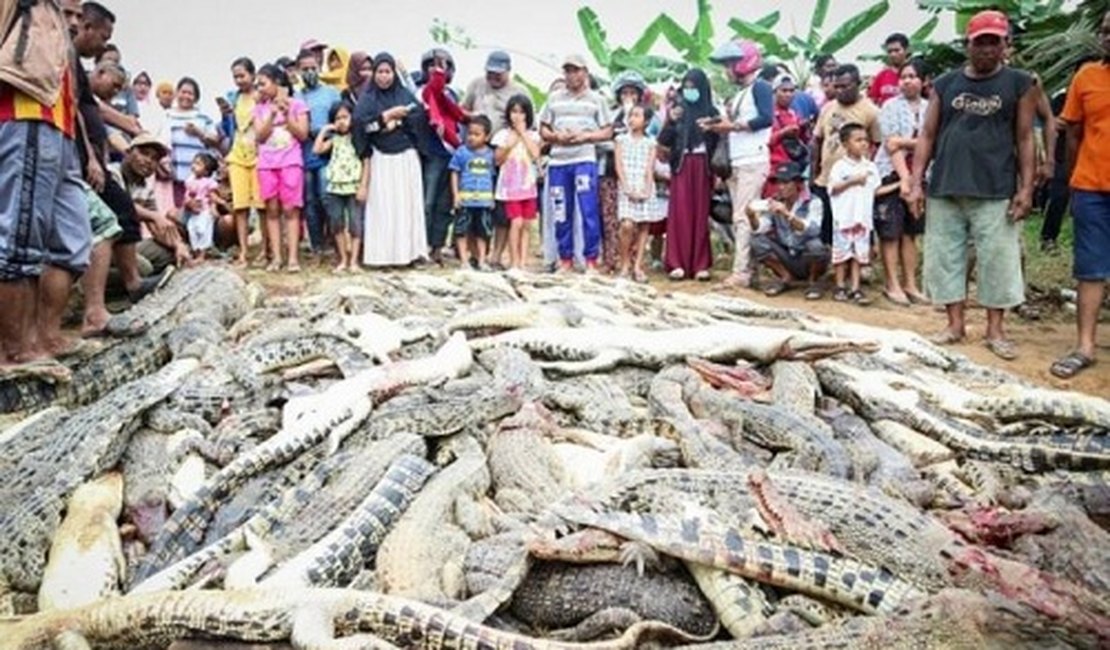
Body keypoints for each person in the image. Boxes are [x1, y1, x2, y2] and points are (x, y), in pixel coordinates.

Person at [905, 10, 1037, 360]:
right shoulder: (946, 84)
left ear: (1006, 44)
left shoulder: (1019, 83)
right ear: (969, 44)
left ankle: (995, 330)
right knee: (945, 257)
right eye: (981, 43)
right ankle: (954, 325)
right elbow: (928, 135)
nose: (988, 50)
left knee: (998, 259)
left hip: (995, 186)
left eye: (995, 42)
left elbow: (1025, 138)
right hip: (946, 185)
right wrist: (916, 183)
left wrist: (1026, 189)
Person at [0, 0, 91, 365]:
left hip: (61, 126)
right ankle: (13, 351)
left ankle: (44, 336)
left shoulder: (53, 13)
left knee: (72, 239)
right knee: (20, 238)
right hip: (26, 111)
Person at [1051, 11, 1110, 379]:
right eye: (1105, 31)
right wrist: (1074, 179)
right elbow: (1073, 133)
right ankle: (1085, 347)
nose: (1108, 38)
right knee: (1090, 269)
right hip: (1091, 188)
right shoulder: (1086, 76)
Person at [705, 39, 773, 287]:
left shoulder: (761, 87)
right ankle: (749, 270)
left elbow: (767, 118)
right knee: (743, 215)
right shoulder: (741, 94)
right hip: (739, 160)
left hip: (753, 159)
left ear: (743, 63)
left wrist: (732, 126)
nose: (727, 70)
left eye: (730, 64)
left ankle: (741, 272)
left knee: (743, 216)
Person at [353, 52, 428, 267]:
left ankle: (409, 254)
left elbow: (418, 117)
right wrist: (386, 118)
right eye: (380, 72)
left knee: (406, 206)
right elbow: (361, 126)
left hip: (405, 157)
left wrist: (400, 121)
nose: (384, 77)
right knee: (383, 207)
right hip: (381, 159)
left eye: (388, 72)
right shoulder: (368, 100)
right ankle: (382, 256)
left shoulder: (404, 95)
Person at [539, 55, 613, 273]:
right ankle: (565, 259)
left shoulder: (596, 99)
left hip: (584, 159)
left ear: (585, 73)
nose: (572, 75)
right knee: (561, 211)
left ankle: (590, 259)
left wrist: (586, 137)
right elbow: (543, 128)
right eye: (568, 71)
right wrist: (556, 137)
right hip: (559, 161)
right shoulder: (554, 98)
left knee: (588, 209)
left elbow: (608, 130)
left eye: (576, 70)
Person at [462, 50, 527, 268]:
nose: (493, 77)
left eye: (498, 74)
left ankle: (496, 255)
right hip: (476, 153)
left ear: (508, 71)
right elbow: (462, 110)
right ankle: (474, 254)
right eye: (490, 72)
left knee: (501, 209)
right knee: (475, 204)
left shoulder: (519, 91)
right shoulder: (476, 85)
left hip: (505, 153)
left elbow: (527, 123)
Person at [874, 59, 930, 307]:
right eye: (903, 76)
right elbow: (890, 145)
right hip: (891, 173)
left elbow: (934, 142)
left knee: (911, 232)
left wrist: (908, 144)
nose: (907, 80)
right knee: (890, 231)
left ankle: (910, 283)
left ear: (924, 81)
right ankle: (892, 283)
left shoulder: (931, 108)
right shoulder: (890, 106)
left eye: (912, 76)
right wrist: (906, 181)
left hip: (923, 175)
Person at [658, 68, 718, 281]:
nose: (690, 90)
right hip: (682, 165)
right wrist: (672, 120)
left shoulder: (711, 111)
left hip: (703, 165)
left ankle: (700, 264)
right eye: (687, 86)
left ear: (702, 88)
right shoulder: (678, 109)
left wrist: (711, 128)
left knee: (700, 214)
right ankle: (677, 263)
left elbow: (717, 143)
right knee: (680, 214)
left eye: (694, 86)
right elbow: (663, 140)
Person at [813, 64, 881, 245]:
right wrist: (814, 174)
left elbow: (878, 144)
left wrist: (868, 173)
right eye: (837, 87)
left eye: (845, 86)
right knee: (827, 225)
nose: (840, 91)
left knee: (856, 223)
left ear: (857, 84)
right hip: (827, 179)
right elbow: (817, 140)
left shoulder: (870, 111)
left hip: (856, 181)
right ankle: (833, 263)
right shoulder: (827, 108)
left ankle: (860, 263)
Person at [253, 63, 309, 272]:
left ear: (276, 82)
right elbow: (259, 136)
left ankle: (293, 258)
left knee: (290, 209)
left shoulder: (297, 105)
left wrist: (286, 115)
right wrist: (271, 113)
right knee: (272, 210)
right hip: (267, 164)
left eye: (263, 83)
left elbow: (303, 134)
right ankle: (276, 258)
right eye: (257, 85)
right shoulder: (259, 108)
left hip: (290, 161)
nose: (260, 88)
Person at [747, 162, 829, 299]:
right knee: (756, 241)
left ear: (798, 184)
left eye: (785, 183)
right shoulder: (774, 203)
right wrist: (751, 217)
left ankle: (813, 281)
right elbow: (761, 228)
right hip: (787, 255)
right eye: (779, 183)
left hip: (806, 256)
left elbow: (813, 230)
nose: (781, 187)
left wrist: (787, 215)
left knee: (816, 246)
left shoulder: (814, 202)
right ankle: (785, 277)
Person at [418, 48, 465, 266]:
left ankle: (437, 246)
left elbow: (458, 119)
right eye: (432, 65)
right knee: (427, 202)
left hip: (452, 156)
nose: (437, 70)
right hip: (431, 155)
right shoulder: (423, 93)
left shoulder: (451, 95)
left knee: (445, 205)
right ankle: (423, 246)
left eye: (442, 66)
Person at [829, 123, 881, 304]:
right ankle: (840, 285)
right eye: (858, 140)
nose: (863, 144)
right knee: (842, 253)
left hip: (862, 218)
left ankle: (856, 287)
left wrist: (899, 186)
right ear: (845, 144)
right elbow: (833, 188)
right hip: (844, 217)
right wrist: (853, 180)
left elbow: (876, 189)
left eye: (865, 140)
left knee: (859, 253)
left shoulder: (870, 167)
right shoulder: (840, 166)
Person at [296, 49, 341, 257]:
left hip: (328, 153)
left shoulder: (331, 92)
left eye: (313, 68)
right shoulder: (296, 96)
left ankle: (335, 240)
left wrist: (327, 135)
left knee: (327, 196)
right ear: (298, 71)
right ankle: (317, 246)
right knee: (310, 200)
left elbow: (340, 117)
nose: (309, 72)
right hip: (304, 154)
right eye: (305, 69)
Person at [492, 94, 542, 270]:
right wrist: (511, 141)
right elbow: (497, 159)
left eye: (521, 112)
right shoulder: (502, 135)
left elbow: (536, 154)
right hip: (509, 188)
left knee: (527, 224)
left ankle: (522, 261)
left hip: (528, 186)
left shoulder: (533, 135)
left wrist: (522, 133)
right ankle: (513, 260)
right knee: (516, 222)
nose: (517, 116)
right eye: (514, 111)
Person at [313, 100, 363, 273]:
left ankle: (354, 261)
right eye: (338, 118)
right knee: (337, 223)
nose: (342, 121)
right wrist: (325, 130)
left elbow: (367, 160)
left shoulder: (358, 138)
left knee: (355, 224)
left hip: (354, 185)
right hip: (335, 186)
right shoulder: (334, 139)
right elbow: (317, 150)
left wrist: (364, 185)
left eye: (345, 117)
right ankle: (343, 259)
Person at [614, 104, 662, 282]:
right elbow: (618, 165)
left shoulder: (650, 143)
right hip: (627, 186)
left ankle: (637, 266)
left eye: (637, 116)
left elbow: (650, 168)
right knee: (626, 224)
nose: (632, 119)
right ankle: (625, 263)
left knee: (643, 226)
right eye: (631, 115)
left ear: (646, 121)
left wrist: (647, 189)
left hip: (643, 186)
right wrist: (626, 186)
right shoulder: (621, 140)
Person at [222, 57, 261, 267]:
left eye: (242, 75)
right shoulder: (233, 98)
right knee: (240, 206)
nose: (239, 80)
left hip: (258, 154)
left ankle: (267, 250)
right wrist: (225, 114)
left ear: (253, 74)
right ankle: (244, 252)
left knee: (261, 205)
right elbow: (228, 128)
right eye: (235, 77)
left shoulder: (261, 96)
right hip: (237, 154)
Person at [449, 115, 496, 270]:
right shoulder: (461, 152)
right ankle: (464, 260)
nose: (471, 137)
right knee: (462, 230)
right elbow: (455, 173)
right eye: (469, 133)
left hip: (484, 200)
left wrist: (492, 197)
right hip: (465, 199)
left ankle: (482, 260)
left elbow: (493, 177)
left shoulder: (491, 154)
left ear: (487, 136)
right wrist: (456, 195)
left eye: (477, 134)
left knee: (483, 232)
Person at [166, 77, 221, 207]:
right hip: (174, 176)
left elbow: (215, 140)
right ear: (177, 93)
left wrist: (199, 133)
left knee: (199, 211)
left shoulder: (203, 118)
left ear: (196, 98)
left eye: (190, 93)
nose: (186, 96)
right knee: (177, 211)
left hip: (199, 179)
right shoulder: (167, 116)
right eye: (183, 92)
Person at [765, 73, 805, 196]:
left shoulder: (794, 114)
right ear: (775, 92)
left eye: (791, 91)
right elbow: (766, 142)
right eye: (784, 90)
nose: (788, 94)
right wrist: (783, 132)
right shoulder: (768, 114)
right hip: (774, 170)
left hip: (792, 169)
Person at [182, 152, 220, 260]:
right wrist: (188, 202)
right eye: (193, 162)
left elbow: (213, 197)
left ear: (206, 170)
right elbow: (187, 195)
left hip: (205, 211)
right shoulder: (189, 180)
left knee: (203, 230)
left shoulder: (209, 182)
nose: (194, 165)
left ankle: (202, 254)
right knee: (192, 228)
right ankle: (195, 251)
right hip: (194, 212)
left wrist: (213, 208)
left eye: (198, 164)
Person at [869, 33, 910, 106]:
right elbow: (873, 101)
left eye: (897, 50)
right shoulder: (881, 76)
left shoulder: (915, 74)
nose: (893, 54)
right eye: (890, 51)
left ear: (906, 50)